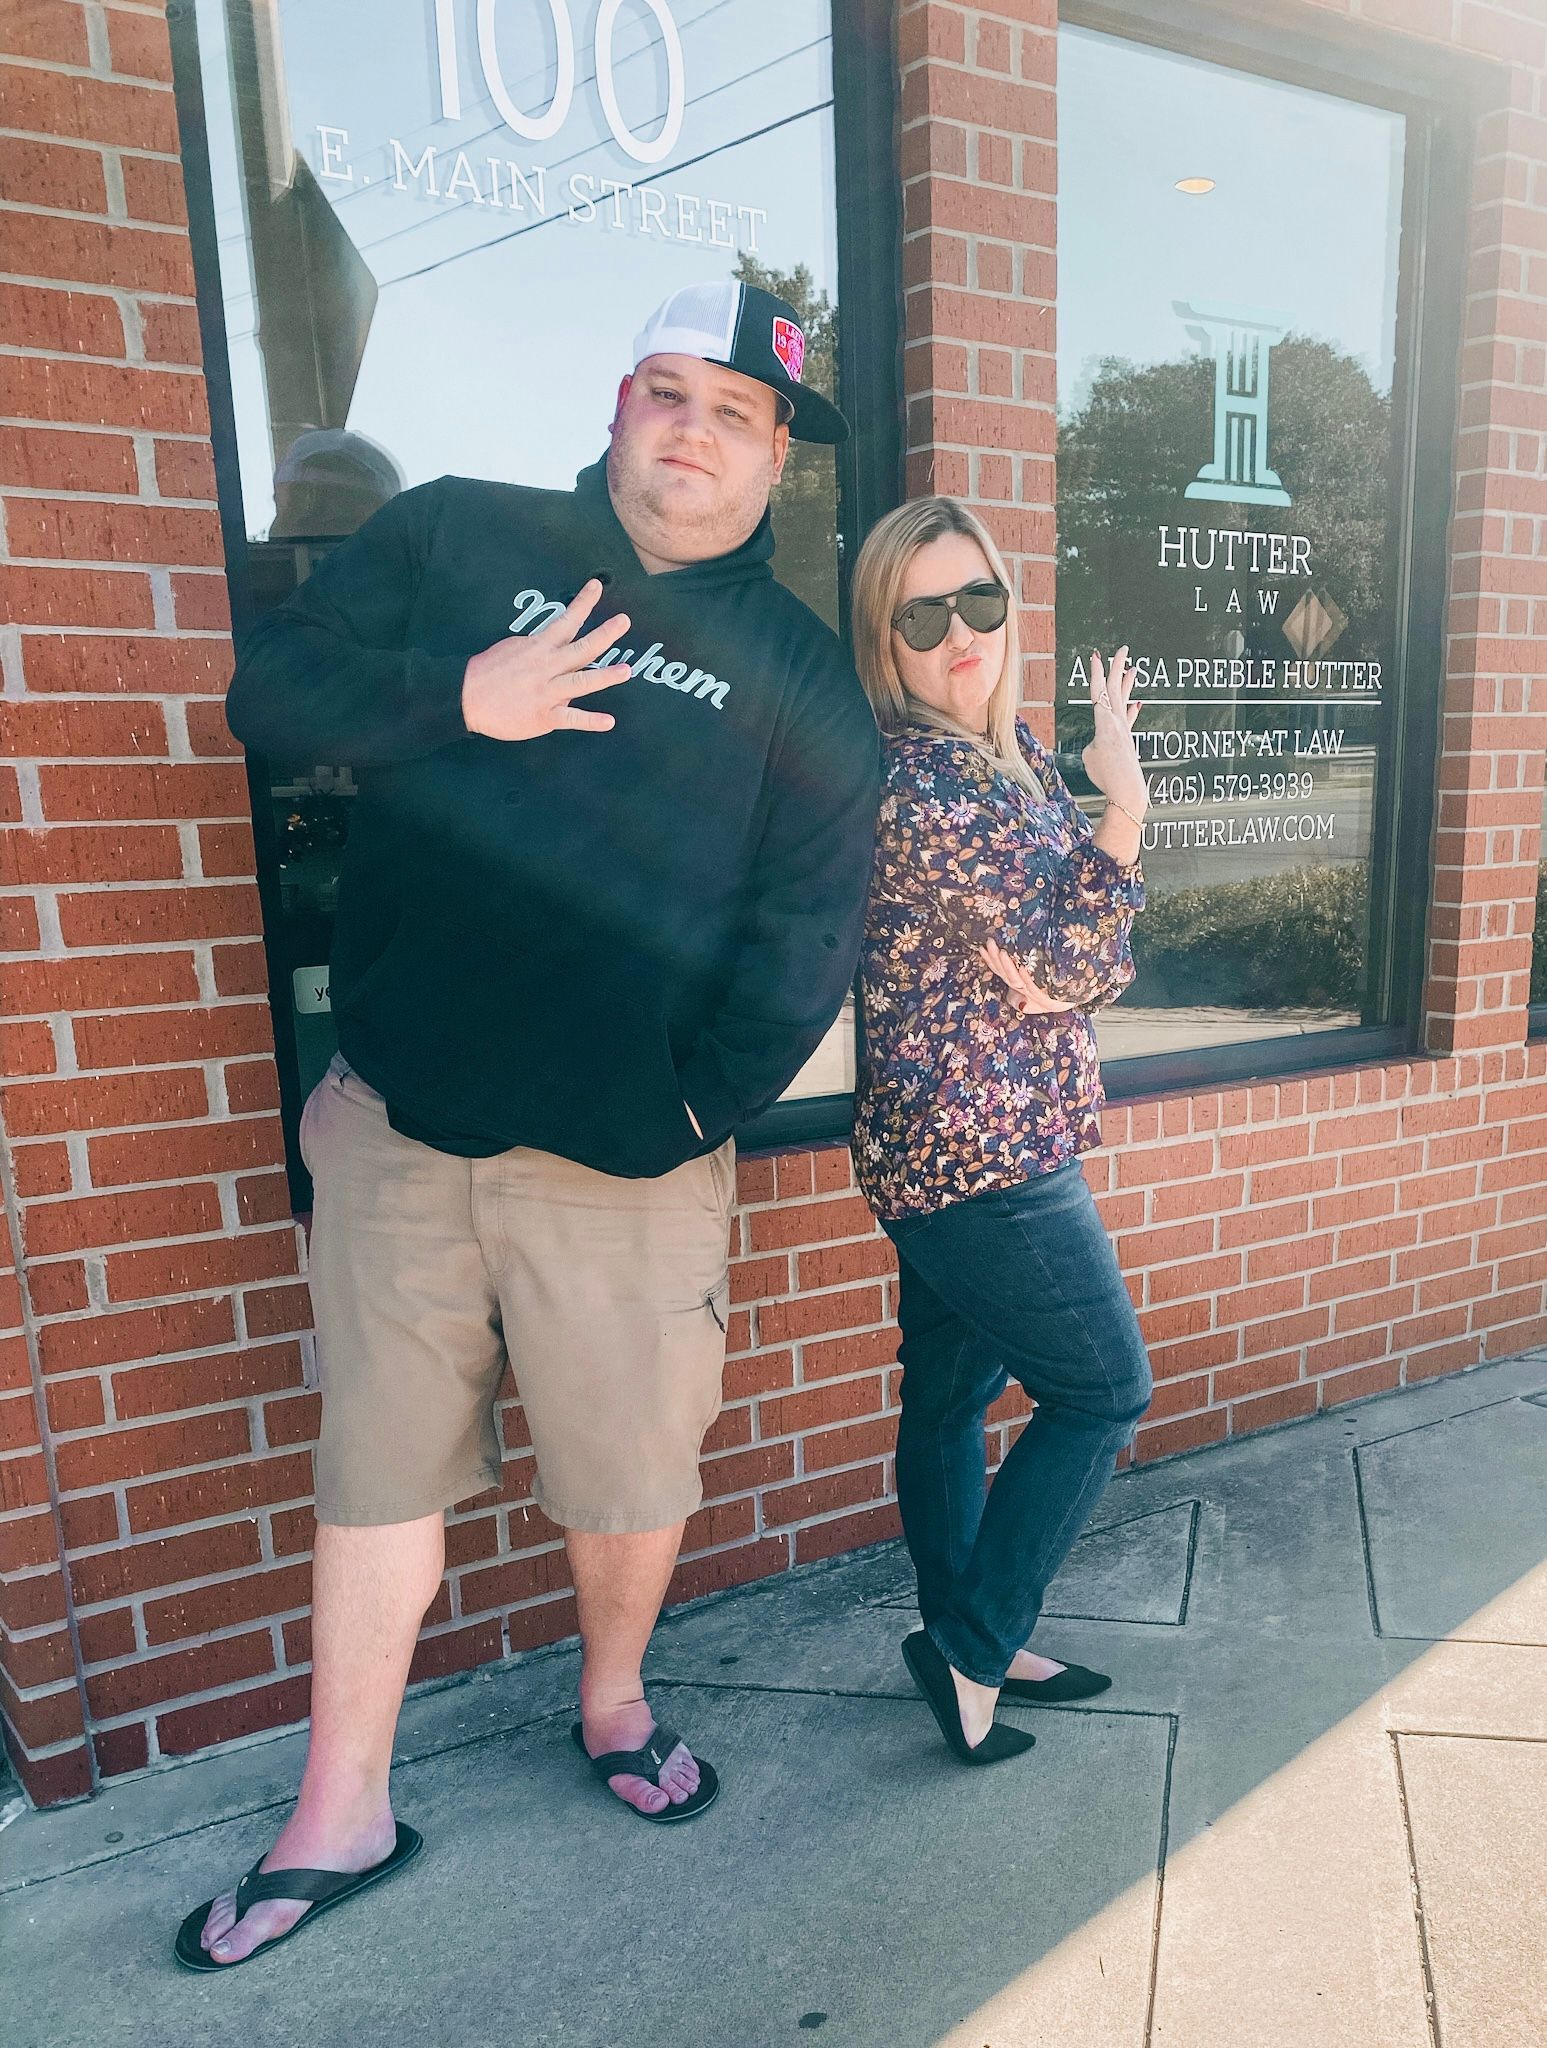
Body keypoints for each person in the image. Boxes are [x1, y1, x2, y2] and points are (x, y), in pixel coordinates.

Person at [175, 280, 880, 1969]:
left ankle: (613, 1701)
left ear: (775, 456)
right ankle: (338, 1806)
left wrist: (690, 1107)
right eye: (666, 391)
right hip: (402, 1130)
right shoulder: (454, 536)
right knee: (374, 1471)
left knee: (627, 1474)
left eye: (734, 411)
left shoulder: (798, 676)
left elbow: (808, 933)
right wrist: (457, 697)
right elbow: (271, 694)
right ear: (618, 402)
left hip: (626, 1166)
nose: (693, 430)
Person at [848, 496, 1153, 1766]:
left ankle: (961, 1630)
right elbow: (1074, 957)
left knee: (949, 1398)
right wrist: (1122, 809)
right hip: (986, 1158)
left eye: (976, 599)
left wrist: (1081, 926)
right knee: (1103, 1387)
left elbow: (1084, 963)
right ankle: (974, 1646)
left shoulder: (1006, 752)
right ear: (885, 641)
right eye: (922, 614)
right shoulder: (924, 781)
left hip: (955, 1144)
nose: (959, 632)